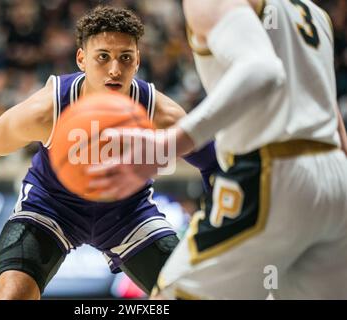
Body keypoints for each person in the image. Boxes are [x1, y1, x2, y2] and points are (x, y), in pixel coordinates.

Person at [0, 6, 218, 299]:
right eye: (103, 56)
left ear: (137, 61)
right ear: (81, 59)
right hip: (51, 207)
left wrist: (217, 227)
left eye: (125, 57)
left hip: (128, 214)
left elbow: (212, 162)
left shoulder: (159, 112)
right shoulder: (50, 108)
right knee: (13, 293)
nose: (115, 69)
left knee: (188, 294)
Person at [88, 0, 347, 299]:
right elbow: (332, 119)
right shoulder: (313, 12)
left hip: (272, 173)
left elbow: (262, 70)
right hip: (335, 180)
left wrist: (168, 143)